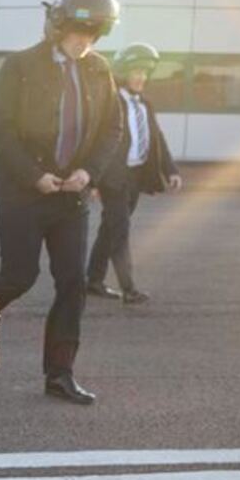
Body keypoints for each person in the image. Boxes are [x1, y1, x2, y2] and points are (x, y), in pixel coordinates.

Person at [0, 0, 124, 405]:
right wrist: (34, 175)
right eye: (78, 33)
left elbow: (111, 129)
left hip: (71, 197)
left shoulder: (99, 71)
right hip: (23, 193)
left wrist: (88, 172)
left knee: (73, 282)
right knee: (19, 276)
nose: (84, 42)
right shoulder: (20, 66)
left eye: (93, 35)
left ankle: (60, 374)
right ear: (58, 27)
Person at [87, 43, 182, 304]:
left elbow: (157, 138)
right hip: (112, 178)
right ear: (122, 73)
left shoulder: (144, 105)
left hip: (136, 177)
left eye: (144, 72)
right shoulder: (110, 102)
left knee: (110, 228)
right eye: (135, 72)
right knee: (120, 231)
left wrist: (171, 170)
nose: (141, 77)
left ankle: (93, 280)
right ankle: (129, 289)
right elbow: (95, 140)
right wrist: (92, 179)